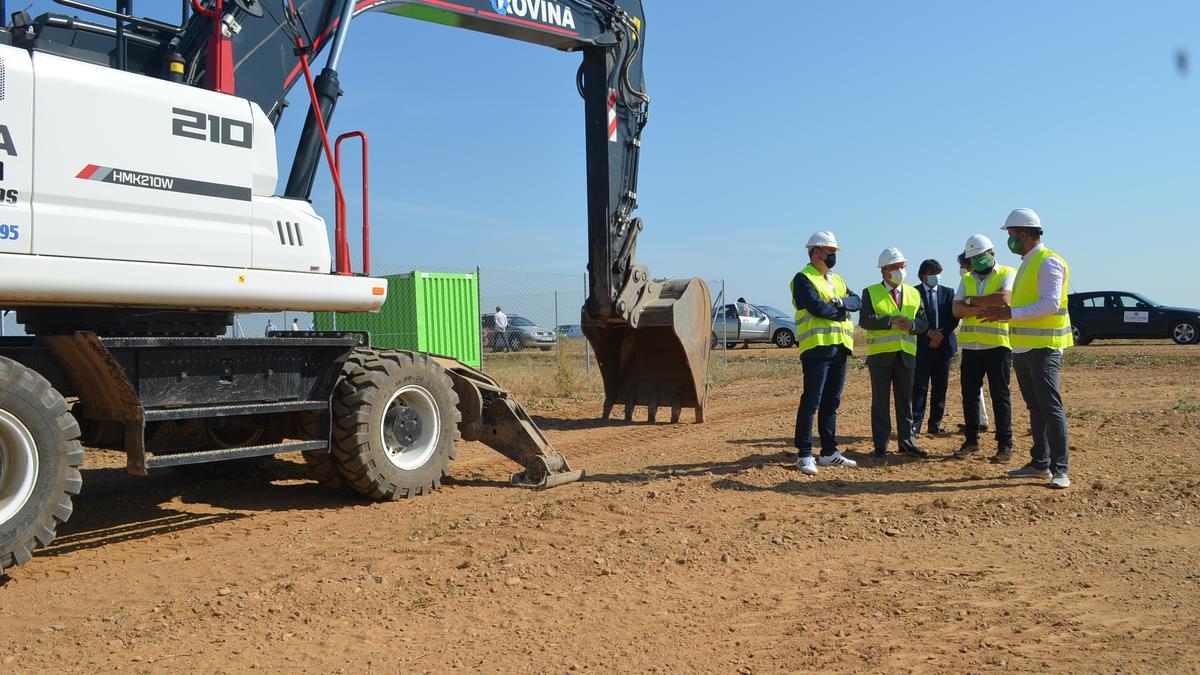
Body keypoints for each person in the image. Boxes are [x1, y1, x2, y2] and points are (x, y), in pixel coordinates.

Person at [980, 208, 1074, 489]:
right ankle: (1040, 463)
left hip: (1044, 347)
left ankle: (1060, 469)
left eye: (1011, 235)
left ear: (1023, 234)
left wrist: (1011, 314)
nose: (1009, 241)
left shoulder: (1048, 262)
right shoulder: (1028, 263)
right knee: (1035, 407)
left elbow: (1050, 303)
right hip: (1023, 348)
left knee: (1050, 407)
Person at [790, 230, 862, 476]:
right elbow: (816, 308)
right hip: (817, 348)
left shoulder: (836, 280)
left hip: (840, 348)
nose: (833, 255)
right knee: (812, 401)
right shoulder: (803, 279)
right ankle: (804, 454)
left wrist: (840, 303)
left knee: (832, 401)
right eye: (830, 251)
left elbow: (857, 300)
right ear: (816, 251)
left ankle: (829, 452)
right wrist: (840, 309)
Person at [951, 234, 1016, 462]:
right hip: (970, 347)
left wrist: (970, 301)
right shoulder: (967, 277)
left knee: (1000, 395)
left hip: (998, 345)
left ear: (992, 253)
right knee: (969, 395)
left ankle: (1005, 445)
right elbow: (956, 310)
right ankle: (971, 442)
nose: (978, 260)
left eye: (981, 256)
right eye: (974, 257)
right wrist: (980, 304)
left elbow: (1003, 298)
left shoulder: (1008, 272)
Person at [859, 247, 929, 459]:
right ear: (884, 271)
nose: (900, 270)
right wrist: (889, 321)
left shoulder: (915, 293)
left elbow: (924, 322)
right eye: (895, 267)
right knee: (881, 402)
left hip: (906, 355)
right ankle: (881, 446)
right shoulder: (870, 292)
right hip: (881, 356)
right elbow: (865, 319)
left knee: (905, 402)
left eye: (902, 266)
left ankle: (907, 443)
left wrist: (913, 324)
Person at [912, 258, 959, 437]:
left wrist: (940, 335)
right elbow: (913, 317)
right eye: (931, 274)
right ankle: (915, 425)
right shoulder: (913, 293)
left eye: (938, 273)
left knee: (940, 386)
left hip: (944, 346)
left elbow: (954, 317)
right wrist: (928, 334)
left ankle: (935, 424)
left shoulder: (948, 293)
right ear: (922, 276)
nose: (935, 277)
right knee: (919, 387)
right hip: (922, 347)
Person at [957, 253, 990, 433]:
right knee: (973, 390)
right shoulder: (967, 282)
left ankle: (981, 421)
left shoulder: (980, 283)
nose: (961, 269)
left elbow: (964, 306)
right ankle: (979, 420)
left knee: (993, 390)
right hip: (972, 343)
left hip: (992, 343)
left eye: (963, 265)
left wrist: (968, 304)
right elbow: (957, 308)